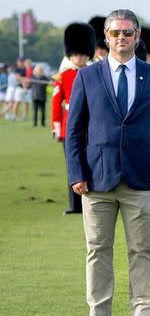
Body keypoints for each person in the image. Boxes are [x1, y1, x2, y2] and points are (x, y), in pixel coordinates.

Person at [66, 9, 150, 316]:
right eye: (115, 33)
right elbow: (74, 131)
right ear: (106, 37)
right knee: (97, 248)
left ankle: (143, 315)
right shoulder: (87, 76)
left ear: (137, 36)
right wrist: (76, 174)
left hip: (142, 178)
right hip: (97, 179)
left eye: (127, 33)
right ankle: (98, 313)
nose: (121, 38)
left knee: (142, 250)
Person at [52, 23, 95, 215]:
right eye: (76, 54)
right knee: (73, 164)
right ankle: (74, 205)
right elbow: (56, 103)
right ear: (70, 55)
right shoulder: (62, 77)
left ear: (88, 54)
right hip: (69, 123)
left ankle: (91, 200)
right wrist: (56, 128)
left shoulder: (94, 74)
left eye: (82, 54)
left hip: (90, 124)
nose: (79, 58)